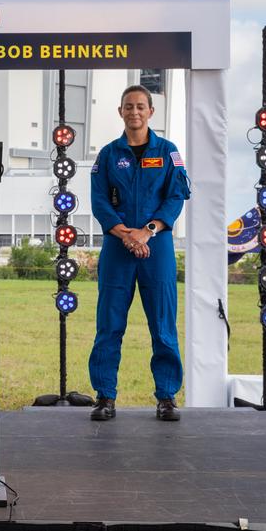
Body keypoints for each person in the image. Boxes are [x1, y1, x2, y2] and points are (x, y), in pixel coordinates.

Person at [86, 85, 190, 422]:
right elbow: (100, 200)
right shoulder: (107, 154)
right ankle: (105, 396)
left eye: (141, 107)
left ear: (150, 112)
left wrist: (147, 231)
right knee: (109, 325)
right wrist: (125, 233)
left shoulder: (169, 151)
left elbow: (176, 196)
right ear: (120, 112)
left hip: (156, 248)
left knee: (162, 325)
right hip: (118, 249)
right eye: (129, 107)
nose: (135, 112)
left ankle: (167, 396)